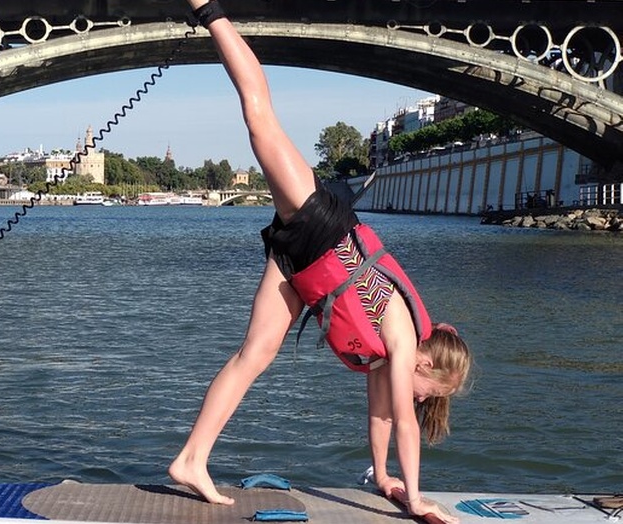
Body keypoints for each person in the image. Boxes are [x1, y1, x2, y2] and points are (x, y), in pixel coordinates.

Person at [168, 2, 472, 523]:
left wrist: (385, 481)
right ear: (427, 365)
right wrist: (418, 500)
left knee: (253, 356)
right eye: (429, 393)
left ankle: (191, 459)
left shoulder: (386, 360)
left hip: (300, 266)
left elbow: (379, 420)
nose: (420, 401)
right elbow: (401, 421)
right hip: (321, 226)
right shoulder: (402, 339)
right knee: (259, 113)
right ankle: (208, 8)